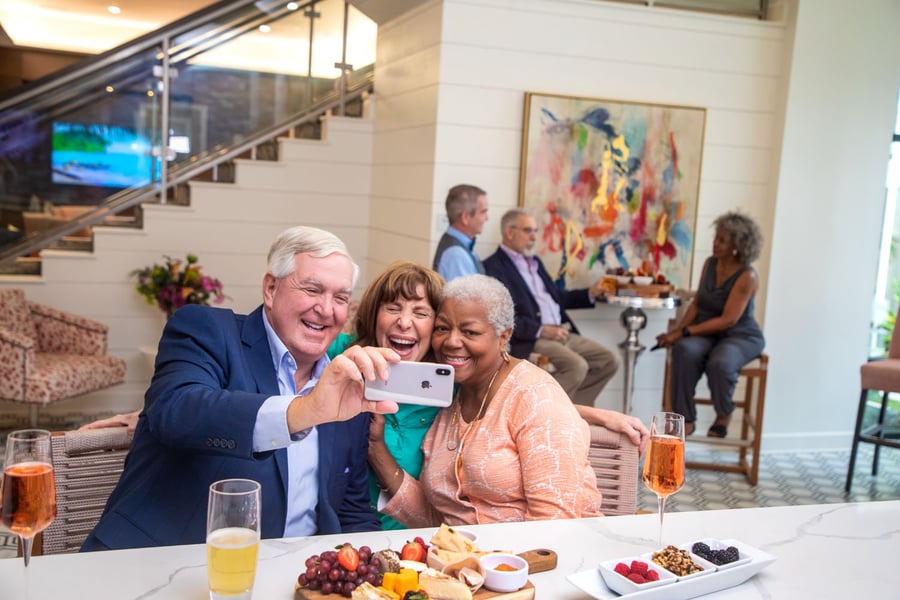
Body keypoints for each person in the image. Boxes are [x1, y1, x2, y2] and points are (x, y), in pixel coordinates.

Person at [82, 226, 400, 551]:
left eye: (341, 298)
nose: (327, 309)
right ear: (271, 288)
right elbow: (176, 411)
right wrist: (305, 410)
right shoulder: (207, 331)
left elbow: (350, 511)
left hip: (292, 572)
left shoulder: (346, 386)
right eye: (312, 289)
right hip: (158, 562)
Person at [369, 274, 607, 528]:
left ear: (504, 336)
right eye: (442, 328)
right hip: (462, 552)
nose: (451, 342)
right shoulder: (453, 395)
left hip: (539, 551)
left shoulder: (537, 397)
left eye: (470, 332)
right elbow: (441, 520)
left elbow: (553, 525)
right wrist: (376, 447)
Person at [483, 208, 618, 406]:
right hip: (532, 338)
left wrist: (590, 293)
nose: (534, 237)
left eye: (535, 231)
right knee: (576, 366)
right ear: (509, 232)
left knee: (608, 360)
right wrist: (540, 330)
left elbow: (557, 298)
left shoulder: (535, 262)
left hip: (562, 332)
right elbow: (501, 316)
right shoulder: (493, 267)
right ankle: (540, 410)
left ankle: (575, 411)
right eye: (528, 231)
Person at [655, 211, 765, 438]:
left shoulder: (748, 276)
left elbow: (728, 320)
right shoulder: (710, 264)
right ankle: (685, 418)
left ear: (737, 246)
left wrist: (685, 331)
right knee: (684, 350)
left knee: (721, 363)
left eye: (722, 240)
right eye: (716, 237)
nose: (715, 243)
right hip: (707, 333)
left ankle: (724, 413)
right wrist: (678, 333)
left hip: (739, 335)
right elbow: (697, 304)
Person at [432, 184, 489, 280]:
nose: (487, 218)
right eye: (483, 212)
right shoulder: (456, 255)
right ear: (465, 217)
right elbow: (469, 290)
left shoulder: (458, 248)